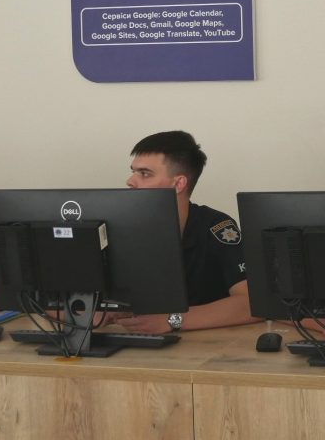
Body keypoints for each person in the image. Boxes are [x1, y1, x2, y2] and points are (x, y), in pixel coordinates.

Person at [108, 130, 257, 334]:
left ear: (178, 184)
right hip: (131, 344)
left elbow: (251, 303)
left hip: (207, 346)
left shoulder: (217, 226)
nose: (130, 181)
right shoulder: (117, 226)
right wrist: (94, 312)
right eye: (133, 171)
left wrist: (172, 320)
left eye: (145, 173)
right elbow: (65, 303)